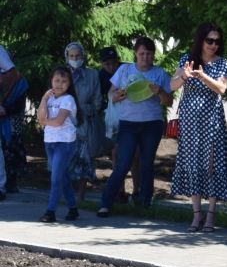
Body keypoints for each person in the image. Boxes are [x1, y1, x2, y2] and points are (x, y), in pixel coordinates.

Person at [97, 37, 173, 215]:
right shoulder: (124, 70)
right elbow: (111, 93)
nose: (145, 57)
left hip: (152, 125)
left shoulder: (160, 73)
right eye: (141, 54)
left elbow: (168, 102)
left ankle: (144, 204)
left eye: (148, 53)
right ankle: (106, 202)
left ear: (154, 54)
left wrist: (160, 91)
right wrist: (115, 96)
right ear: (135, 54)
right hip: (128, 124)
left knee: (146, 164)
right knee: (122, 163)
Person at [169, 23, 227, 232]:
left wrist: (202, 75)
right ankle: (196, 216)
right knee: (192, 163)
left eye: (217, 41)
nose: (214, 45)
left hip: (212, 121)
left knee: (212, 165)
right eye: (209, 40)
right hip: (190, 122)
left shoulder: (221, 63)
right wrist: (184, 76)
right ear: (201, 40)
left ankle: (211, 216)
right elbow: (172, 86)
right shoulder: (187, 60)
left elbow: (221, 88)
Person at [37, 67, 81, 222]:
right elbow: (40, 116)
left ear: (69, 84)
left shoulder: (68, 99)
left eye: (64, 81)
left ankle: (50, 211)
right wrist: (43, 99)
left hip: (64, 143)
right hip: (49, 141)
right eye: (57, 80)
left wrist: (44, 122)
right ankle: (73, 209)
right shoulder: (49, 98)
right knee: (62, 177)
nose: (59, 84)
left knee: (55, 178)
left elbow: (58, 121)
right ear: (51, 81)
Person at [63, 41, 105, 201]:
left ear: (83, 56)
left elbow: (97, 100)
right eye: (72, 56)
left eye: (78, 55)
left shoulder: (92, 74)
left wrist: (87, 110)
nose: (75, 58)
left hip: (86, 121)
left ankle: (81, 194)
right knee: (67, 157)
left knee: (85, 158)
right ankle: (67, 194)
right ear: (67, 57)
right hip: (65, 120)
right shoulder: (62, 73)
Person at [99, 45, 139, 202]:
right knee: (116, 153)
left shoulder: (126, 69)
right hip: (114, 120)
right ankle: (119, 191)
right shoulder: (101, 76)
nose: (111, 67)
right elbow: (100, 98)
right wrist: (107, 106)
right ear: (102, 64)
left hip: (132, 116)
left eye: (113, 63)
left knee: (136, 154)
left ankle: (137, 190)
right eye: (107, 64)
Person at [1, 44, 28, 198]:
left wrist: (5, 110)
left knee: (11, 151)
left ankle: (12, 183)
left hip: (12, 121)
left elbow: (20, 103)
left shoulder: (19, 80)